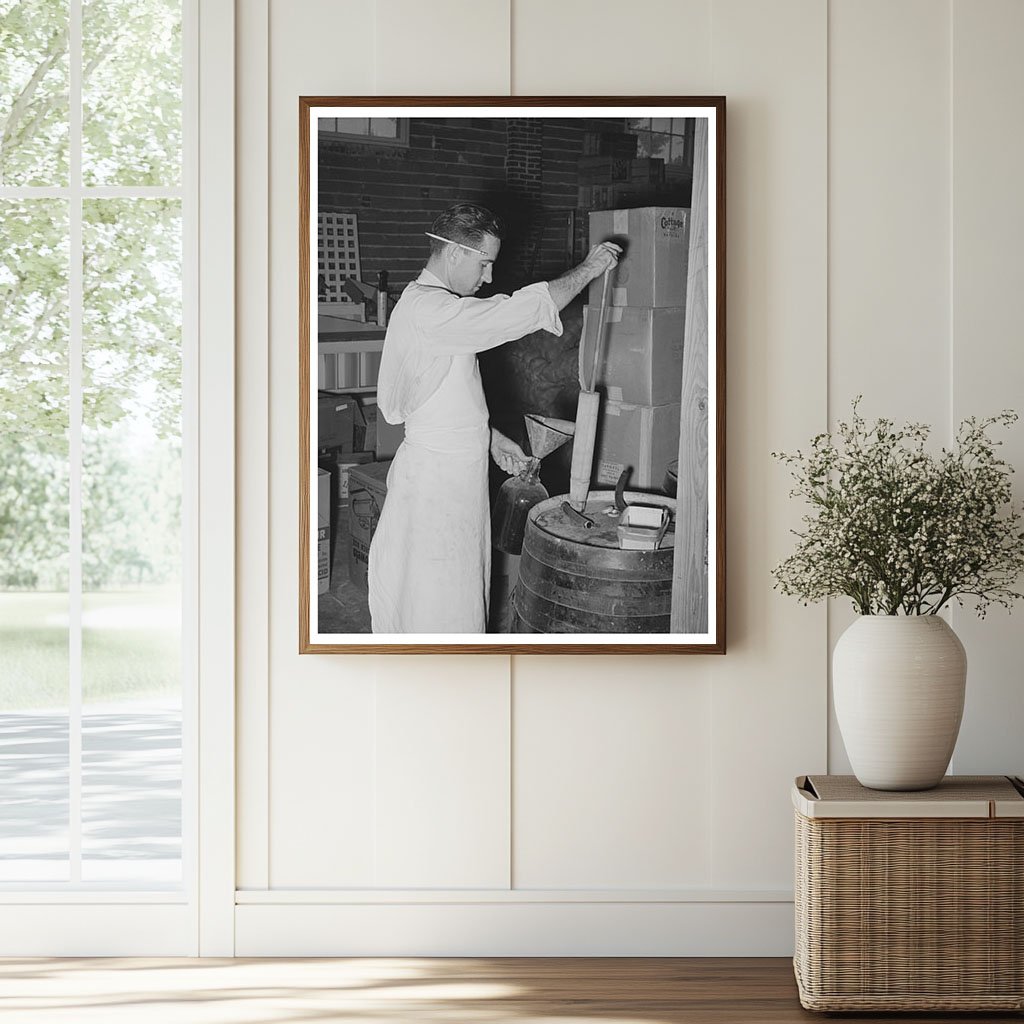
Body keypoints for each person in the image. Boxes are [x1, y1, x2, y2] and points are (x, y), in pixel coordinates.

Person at [368, 202, 620, 634]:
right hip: (436, 488)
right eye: (484, 264)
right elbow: (514, 314)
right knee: (436, 598)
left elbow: (445, 394)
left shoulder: (440, 308)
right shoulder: (430, 310)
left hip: (453, 476)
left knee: (456, 589)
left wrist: (489, 436)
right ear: (453, 254)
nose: (487, 277)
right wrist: (590, 268)